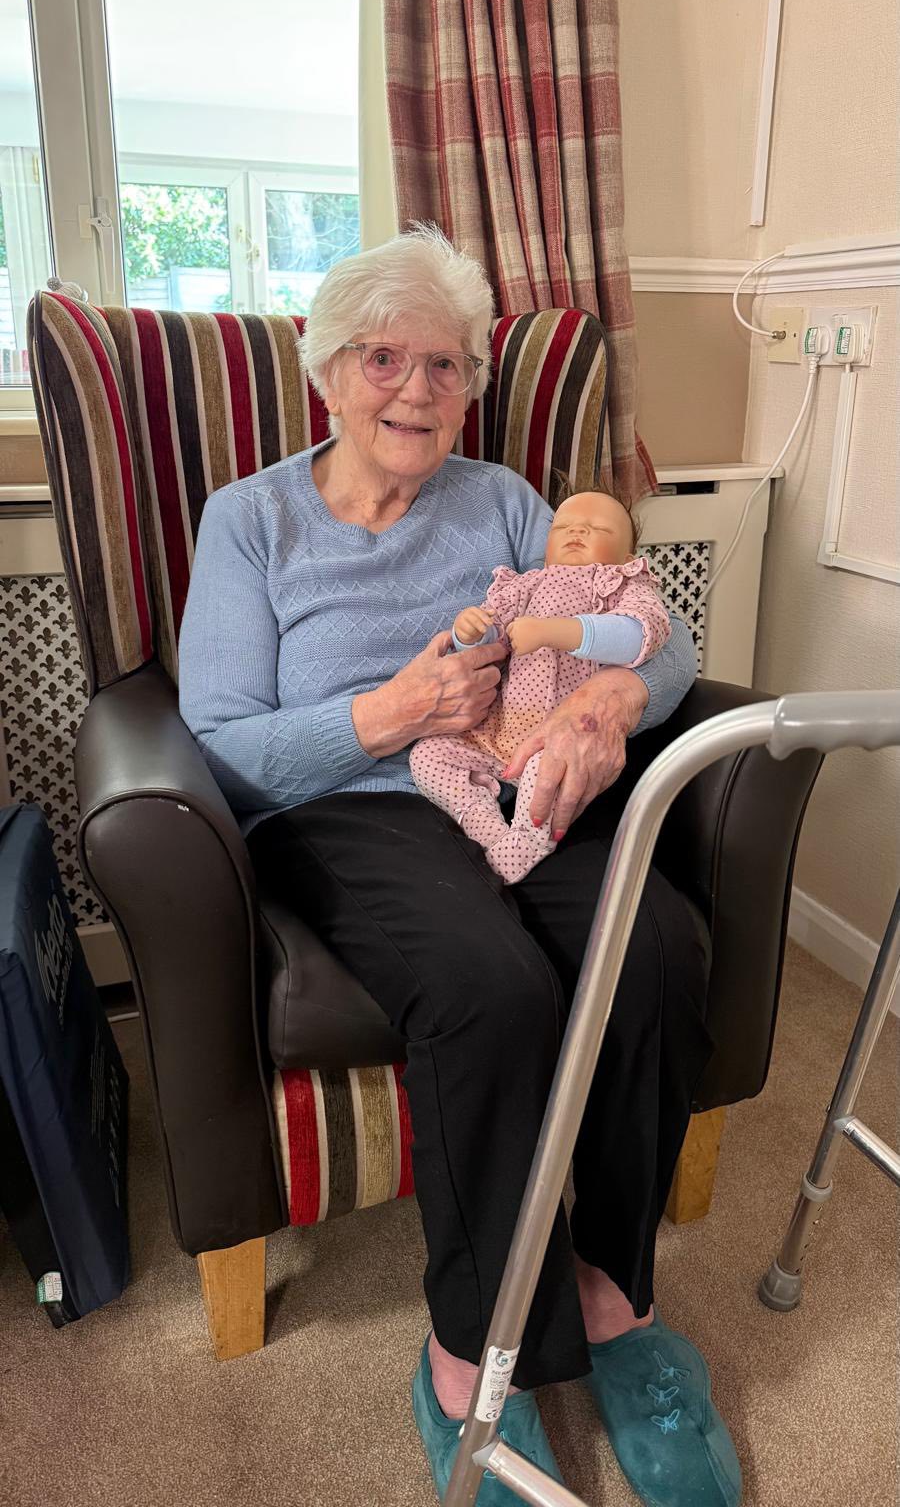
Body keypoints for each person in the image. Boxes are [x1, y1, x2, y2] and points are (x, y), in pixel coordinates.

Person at [178, 225, 741, 1507]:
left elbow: (655, 625)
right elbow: (220, 745)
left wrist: (605, 709)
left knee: (651, 947)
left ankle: (611, 1298)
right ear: (329, 369)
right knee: (492, 986)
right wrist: (391, 712)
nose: (420, 391)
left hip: (520, 776)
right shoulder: (252, 521)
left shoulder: (501, 503)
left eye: (446, 365)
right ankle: (467, 1354)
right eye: (387, 357)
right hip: (352, 803)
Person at [410, 489, 671, 883]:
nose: (577, 531)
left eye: (597, 527)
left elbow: (639, 636)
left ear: (630, 557)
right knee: (429, 755)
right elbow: (493, 643)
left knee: (548, 774)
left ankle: (523, 847)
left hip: (558, 739)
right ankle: (487, 827)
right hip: (495, 735)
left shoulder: (622, 586)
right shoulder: (524, 586)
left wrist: (555, 632)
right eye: (563, 525)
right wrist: (470, 633)